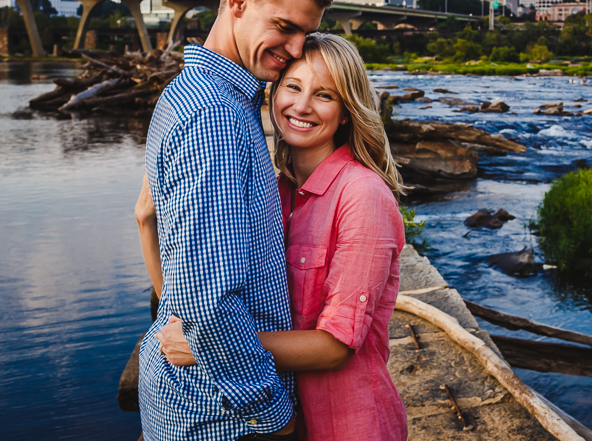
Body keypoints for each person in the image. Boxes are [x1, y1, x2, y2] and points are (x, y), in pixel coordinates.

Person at [146, 33, 409, 441]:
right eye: (292, 86)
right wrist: (147, 222)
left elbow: (336, 346)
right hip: (280, 415)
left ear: (345, 112)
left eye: (324, 95)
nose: (301, 106)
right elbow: (189, 302)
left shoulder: (363, 195)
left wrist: (208, 348)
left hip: (345, 422)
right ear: (272, 95)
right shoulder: (276, 190)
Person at [136, 0, 331, 441]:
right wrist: (272, 414)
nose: (294, 51)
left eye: (305, 36)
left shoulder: (197, 93)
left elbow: (145, 214)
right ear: (238, 1)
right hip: (224, 418)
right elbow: (210, 298)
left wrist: (170, 312)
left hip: (199, 398)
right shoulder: (213, 119)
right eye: (285, 28)